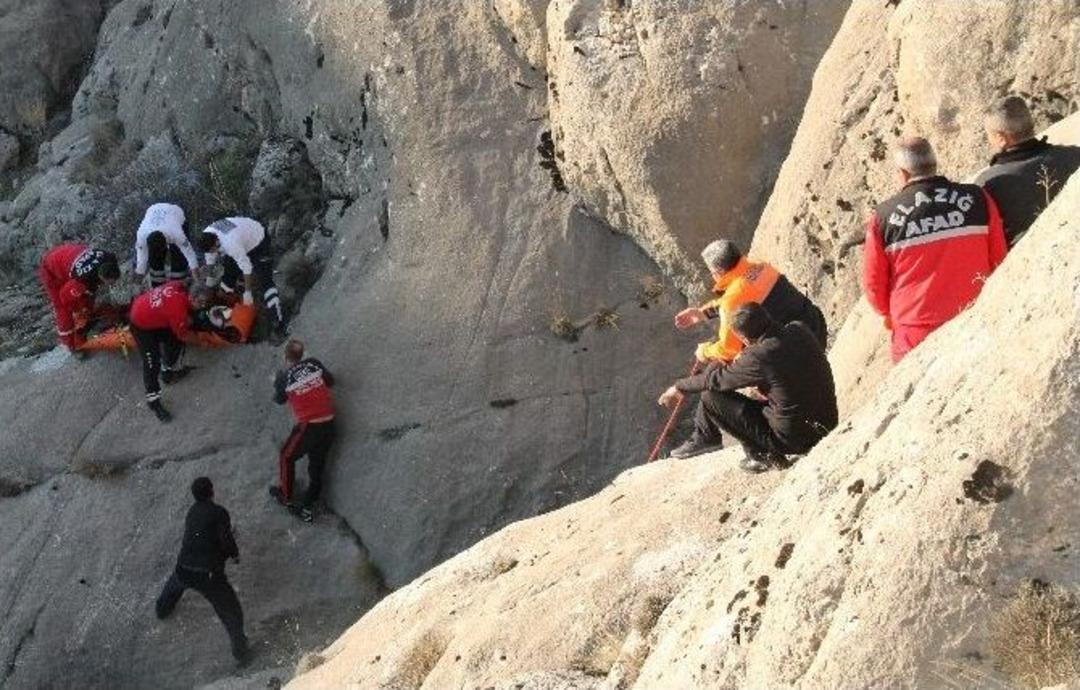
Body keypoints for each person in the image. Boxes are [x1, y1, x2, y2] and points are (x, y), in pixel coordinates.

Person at [863, 137, 1008, 362]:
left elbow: (873, 283)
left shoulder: (883, 217)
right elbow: (999, 258)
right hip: (975, 319)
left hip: (915, 333)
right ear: (933, 164)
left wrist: (889, 314)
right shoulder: (977, 198)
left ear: (902, 173)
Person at [658, 303, 837, 470]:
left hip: (796, 439)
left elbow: (714, 381)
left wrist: (678, 387)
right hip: (827, 422)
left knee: (710, 397)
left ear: (743, 337)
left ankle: (762, 456)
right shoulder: (799, 329)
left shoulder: (759, 356)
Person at [675, 240, 827, 365]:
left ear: (719, 271)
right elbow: (743, 295)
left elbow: (729, 348)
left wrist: (705, 352)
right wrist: (702, 313)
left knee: (741, 361)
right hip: (816, 327)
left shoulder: (733, 299)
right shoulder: (762, 267)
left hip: (798, 353)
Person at [155, 477, 251, 667]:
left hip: (184, 566)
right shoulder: (219, 513)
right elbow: (225, 539)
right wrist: (234, 554)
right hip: (208, 575)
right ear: (212, 491)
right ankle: (241, 653)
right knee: (231, 612)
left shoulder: (192, 511)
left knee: (175, 585)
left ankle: (162, 610)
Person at [975, 96, 1080, 247]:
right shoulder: (1074, 155)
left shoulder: (988, 183)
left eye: (989, 136)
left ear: (1001, 138)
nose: (988, 141)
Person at [270, 339, 336, 522]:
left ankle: (285, 496)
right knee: (316, 463)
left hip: (309, 426)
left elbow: (279, 400)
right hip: (330, 423)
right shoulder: (314, 363)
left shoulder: (284, 377)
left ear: (286, 357)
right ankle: (310, 499)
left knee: (286, 456)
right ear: (303, 353)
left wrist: (275, 383)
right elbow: (330, 381)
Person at [128, 281, 211, 422]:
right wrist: (202, 342)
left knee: (174, 339)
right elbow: (184, 335)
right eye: (201, 303)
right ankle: (153, 402)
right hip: (140, 325)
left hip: (149, 314)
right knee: (151, 363)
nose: (203, 306)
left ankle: (167, 372)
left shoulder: (179, 286)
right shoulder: (178, 308)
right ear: (191, 297)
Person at [197, 217, 286, 339]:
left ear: (216, 241)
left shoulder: (230, 243)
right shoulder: (207, 236)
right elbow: (210, 264)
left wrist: (248, 292)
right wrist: (208, 285)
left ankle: (278, 324)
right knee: (227, 278)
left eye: (214, 249)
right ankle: (230, 302)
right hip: (242, 237)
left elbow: (247, 268)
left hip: (258, 241)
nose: (214, 252)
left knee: (266, 281)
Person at [38, 244, 120, 351]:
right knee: (62, 308)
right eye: (108, 282)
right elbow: (64, 298)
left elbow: (91, 290)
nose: (110, 285)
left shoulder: (110, 258)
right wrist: (78, 310)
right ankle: (72, 345)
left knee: (87, 297)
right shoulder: (82, 279)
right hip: (50, 268)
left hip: (67, 254)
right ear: (100, 276)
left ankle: (87, 319)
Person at [133, 203, 199, 287]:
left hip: (176, 212)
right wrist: (136, 287)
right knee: (155, 265)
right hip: (153, 209)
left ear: (166, 245)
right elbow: (141, 264)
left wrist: (198, 282)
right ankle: (157, 288)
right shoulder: (141, 236)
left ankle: (178, 286)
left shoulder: (177, 234)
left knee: (179, 262)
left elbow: (190, 256)